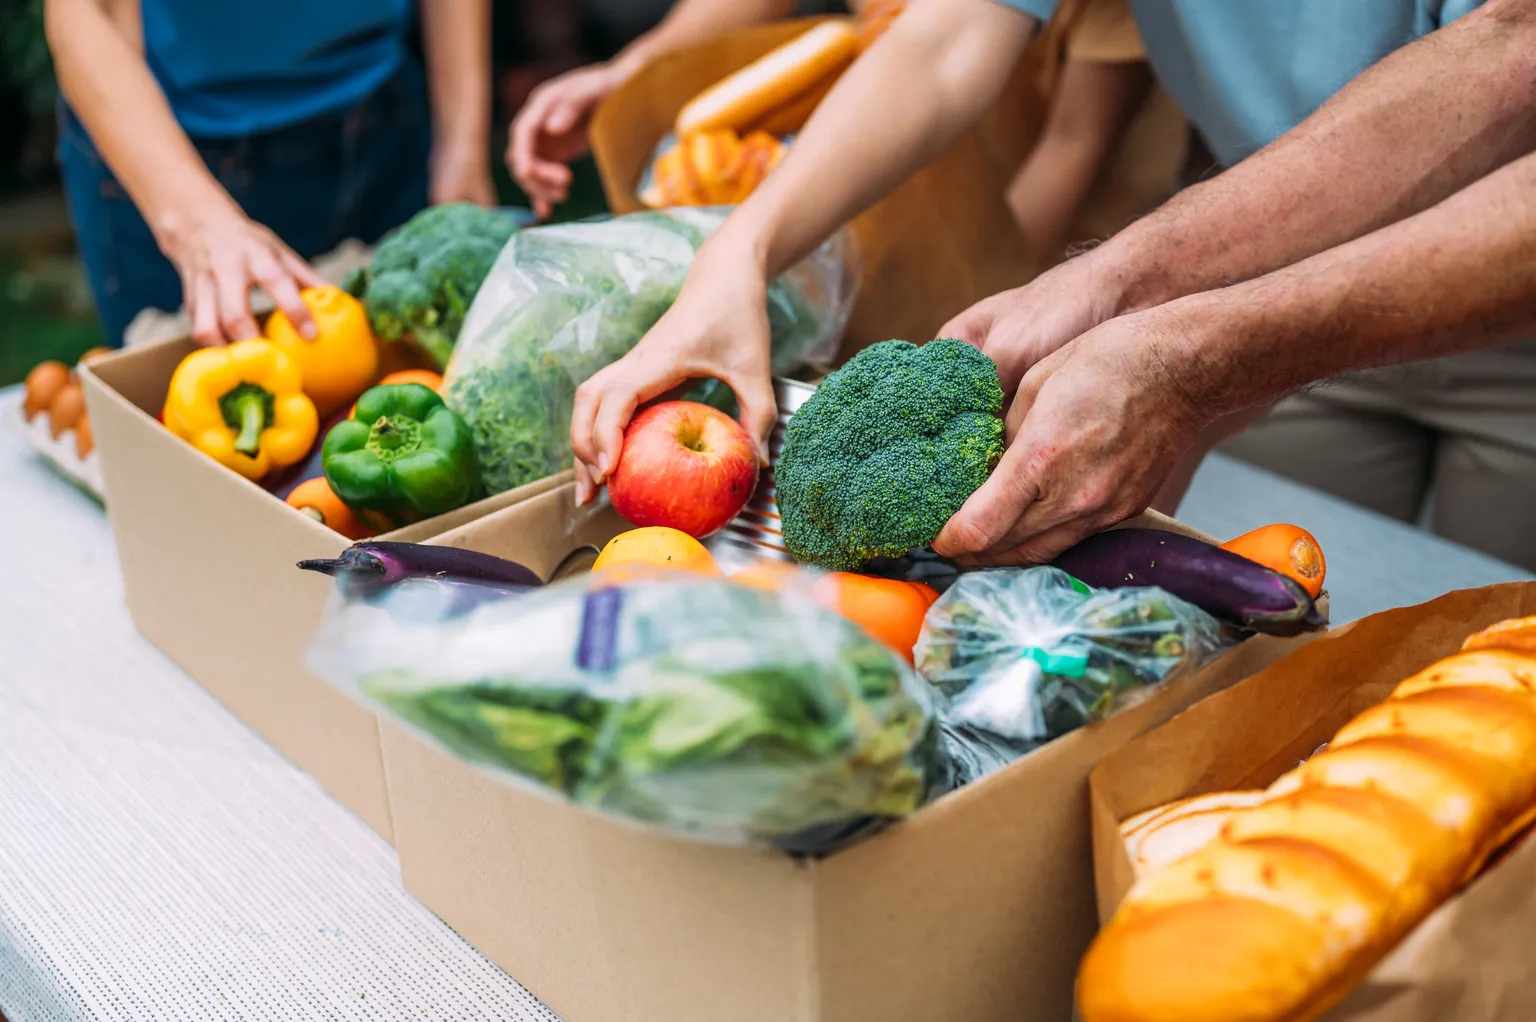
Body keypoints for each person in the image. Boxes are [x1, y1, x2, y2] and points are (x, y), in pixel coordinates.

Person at [567, 0, 1536, 568]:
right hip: (1259, 269)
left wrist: (1186, 339)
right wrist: (736, 251)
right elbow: (947, 37)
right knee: (1308, 610)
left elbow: (1511, 53)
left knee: (1496, 659)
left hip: (1504, 300)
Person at [47, 0, 495, 348]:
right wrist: (196, 224)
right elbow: (88, 11)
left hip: (383, 121)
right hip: (176, 154)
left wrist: (462, 143)